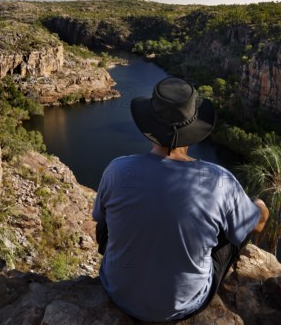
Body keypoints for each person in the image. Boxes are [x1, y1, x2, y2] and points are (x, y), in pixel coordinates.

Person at [93, 77, 269, 322]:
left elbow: (101, 223)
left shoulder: (117, 169)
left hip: (118, 291)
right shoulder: (220, 181)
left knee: (106, 220)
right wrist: (260, 206)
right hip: (186, 305)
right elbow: (258, 225)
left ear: (149, 127)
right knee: (235, 227)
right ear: (194, 126)